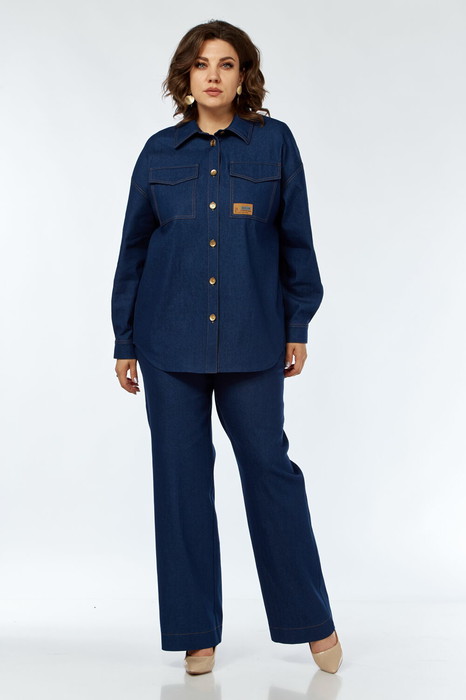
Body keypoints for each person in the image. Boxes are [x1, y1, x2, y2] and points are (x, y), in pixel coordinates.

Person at [111, 19, 343, 675]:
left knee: (271, 473)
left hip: (253, 339)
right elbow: (134, 249)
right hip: (166, 342)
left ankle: (312, 622)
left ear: (244, 76)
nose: (213, 75)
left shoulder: (275, 143)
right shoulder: (159, 153)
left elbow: (297, 239)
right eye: (201, 64)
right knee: (180, 484)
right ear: (185, 77)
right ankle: (196, 634)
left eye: (227, 64)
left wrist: (298, 324)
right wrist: (124, 338)